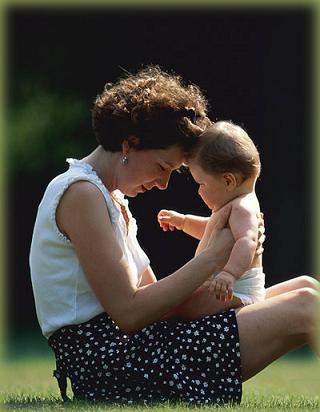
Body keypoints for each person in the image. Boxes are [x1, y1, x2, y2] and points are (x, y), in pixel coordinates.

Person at [29, 66, 319, 405]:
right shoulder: (81, 193)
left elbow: (155, 300)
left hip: (137, 344)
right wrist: (217, 255)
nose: (164, 184)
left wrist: (231, 267)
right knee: (306, 308)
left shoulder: (111, 198)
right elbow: (130, 313)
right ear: (130, 144)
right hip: (110, 360)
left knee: (305, 287)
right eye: (163, 167)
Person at [158, 121, 265, 311]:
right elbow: (212, 231)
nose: (199, 191)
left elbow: (247, 241)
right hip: (227, 288)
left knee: (175, 309)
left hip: (235, 291)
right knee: (176, 305)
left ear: (228, 180)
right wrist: (184, 221)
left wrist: (229, 274)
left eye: (201, 183)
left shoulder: (242, 206)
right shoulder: (233, 205)